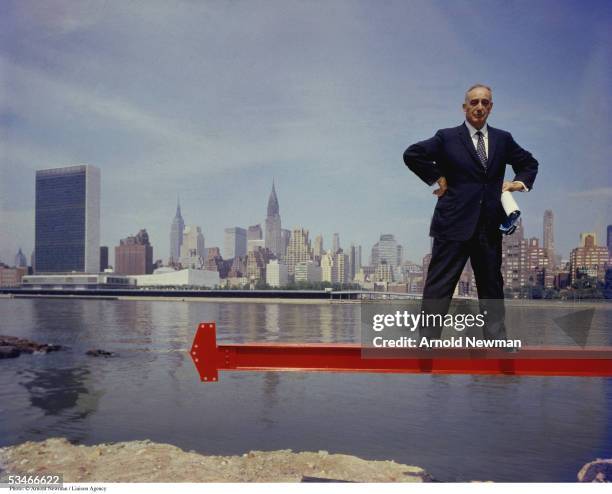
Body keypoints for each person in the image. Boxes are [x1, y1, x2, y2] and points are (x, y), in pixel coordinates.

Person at [403, 84, 538, 340]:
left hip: (488, 227)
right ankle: (427, 341)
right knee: (439, 286)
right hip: (452, 224)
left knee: (491, 287)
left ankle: (496, 340)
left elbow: (529, 163)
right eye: (474, 102)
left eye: (485, 102)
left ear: (491, 107)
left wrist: (516, 183)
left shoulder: (503, 139)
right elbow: (413, 154)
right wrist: (437, 178)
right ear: (464, 107)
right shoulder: (446, 137)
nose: (479, 107)